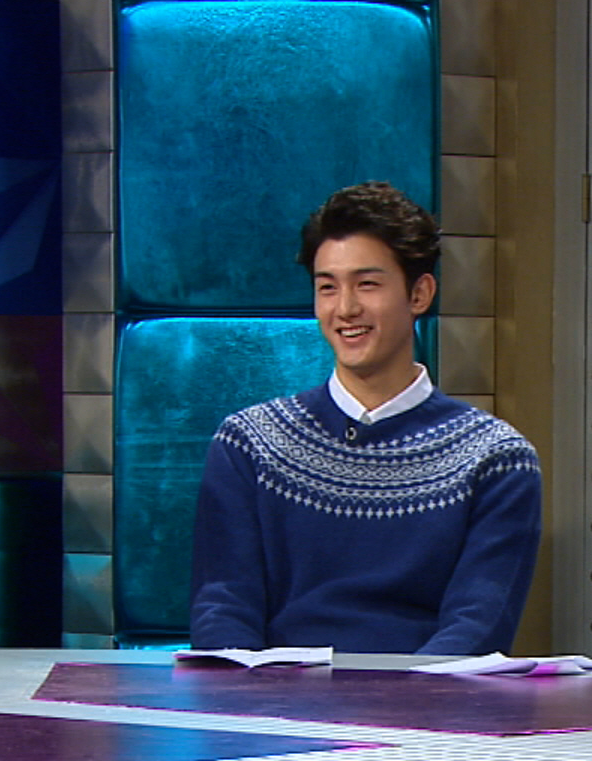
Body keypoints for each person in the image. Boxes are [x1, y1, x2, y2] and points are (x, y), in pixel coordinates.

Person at [190, 182, 541, 655]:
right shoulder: (249, 444)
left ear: (420, 293)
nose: (345, 309)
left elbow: (476, 628)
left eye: (367, 284)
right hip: (277, 699)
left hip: (426, 700)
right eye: (327, 288)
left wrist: (391, 699)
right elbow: (223, 608)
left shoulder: (496, 459)